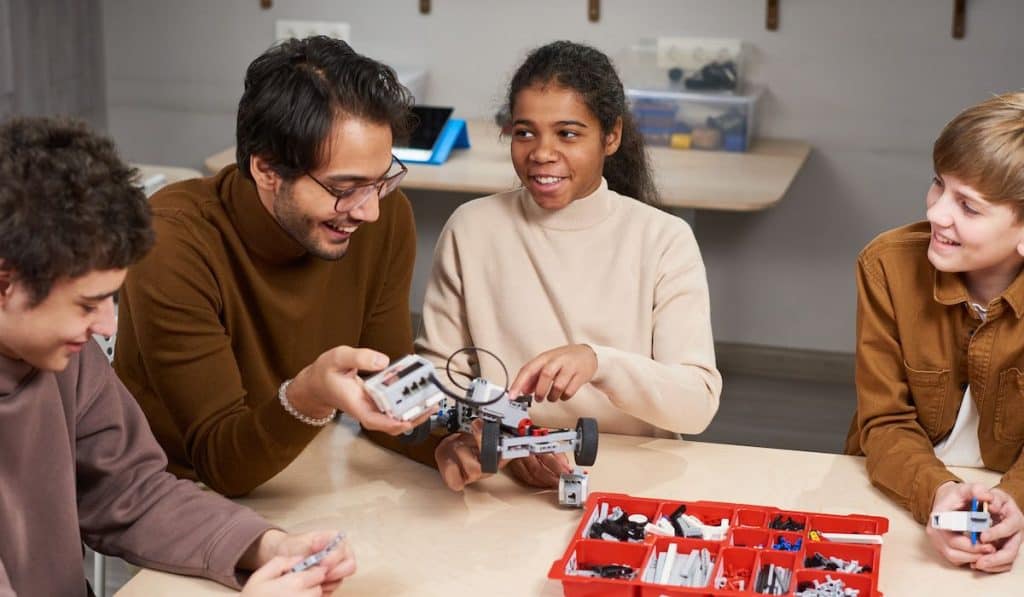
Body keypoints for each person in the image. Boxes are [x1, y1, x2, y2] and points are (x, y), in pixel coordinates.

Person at [0, 116, 354, 596]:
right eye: (87, 304)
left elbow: (130, 491)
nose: (108, 326)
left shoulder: (60, 354)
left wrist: (265, 546)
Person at [113, 36, 435, 497]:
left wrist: (455, 444)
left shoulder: (383, 219)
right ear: (266, 169)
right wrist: (309, 395)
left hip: (305, 468)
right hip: (184, 493)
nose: (370, 211)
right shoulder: (173, 240)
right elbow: (220, 464)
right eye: (345, 187)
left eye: (381, 181)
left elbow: (385, 391)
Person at [416, 41, 722, 492]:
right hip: (502, 482)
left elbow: (696, 406)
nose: (542, 152)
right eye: (525, 132)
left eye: (568, 133)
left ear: (611, 136)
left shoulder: (663, 239)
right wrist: (477, 437)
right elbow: (439, 376)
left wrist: (599, 362)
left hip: (638, 482)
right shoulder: (471, 228)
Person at [845, 91, 1024, 573]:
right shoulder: (886, 264)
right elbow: (882, 422)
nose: (937, 213)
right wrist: (941, 496)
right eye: (938, 185)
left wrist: (1012, 506)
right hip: (900, 490)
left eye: (968, 206)